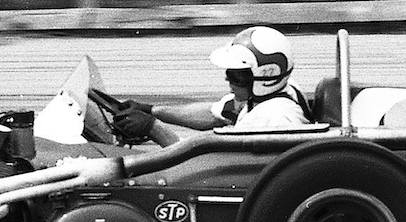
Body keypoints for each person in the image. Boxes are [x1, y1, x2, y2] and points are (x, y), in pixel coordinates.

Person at [112, 26, 312, 142]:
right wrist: (152, 110)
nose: (227, 79)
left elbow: (208, 162)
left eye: (236, 75)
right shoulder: (276, 91)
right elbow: (212, 114)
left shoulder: (273, 118)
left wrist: (152, 128)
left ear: (263, 76)